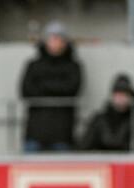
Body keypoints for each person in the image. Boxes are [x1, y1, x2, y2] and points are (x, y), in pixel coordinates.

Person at [19, 21, 83, 153]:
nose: (54, 42)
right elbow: (26, 90)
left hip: (62, 133)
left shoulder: (73, 66)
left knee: (62, 172)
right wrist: (57, 86)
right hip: (35, 132)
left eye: (58, 38)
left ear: (65, 42)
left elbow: (72, 89)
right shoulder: (34, 65)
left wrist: (43, 85)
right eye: (51, 38)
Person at [79, 74, 134, 153]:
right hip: (103, 160)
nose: (120, 98)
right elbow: (85, 145)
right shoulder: (100, 119)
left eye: (124, 94)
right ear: (112, 96)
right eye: (117, 94)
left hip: (128, 161)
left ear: (131, 97)